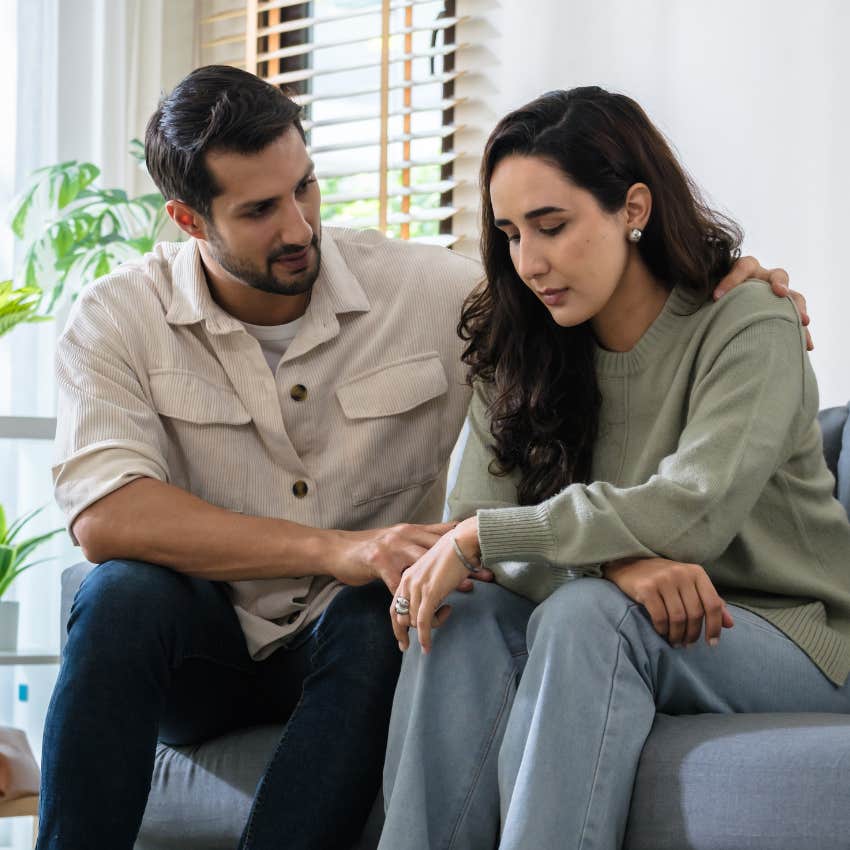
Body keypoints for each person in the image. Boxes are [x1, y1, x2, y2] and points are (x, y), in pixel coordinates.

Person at [38, 65, 793, 850]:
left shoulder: (438, 294)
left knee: (402, 608)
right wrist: (341, 549)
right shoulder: (117, 315)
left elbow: (579, 293)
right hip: (205, 645)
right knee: (119, 596)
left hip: (356, 631)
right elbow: (107, 514)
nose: (298, 227)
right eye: (260, 210)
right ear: (190, 221)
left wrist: (736, 284)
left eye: (305, 188)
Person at [379, 87, 850, 850]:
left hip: (789, 634)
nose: (529, 262)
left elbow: (690, 511)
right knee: (462, 614)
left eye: (552, 226)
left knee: (587, 614)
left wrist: (557, 563)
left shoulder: (749, 323)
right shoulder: (522, 347)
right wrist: (614, 566)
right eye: (509, 234)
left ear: (634, 208)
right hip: (628, 611)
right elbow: (481, 541)